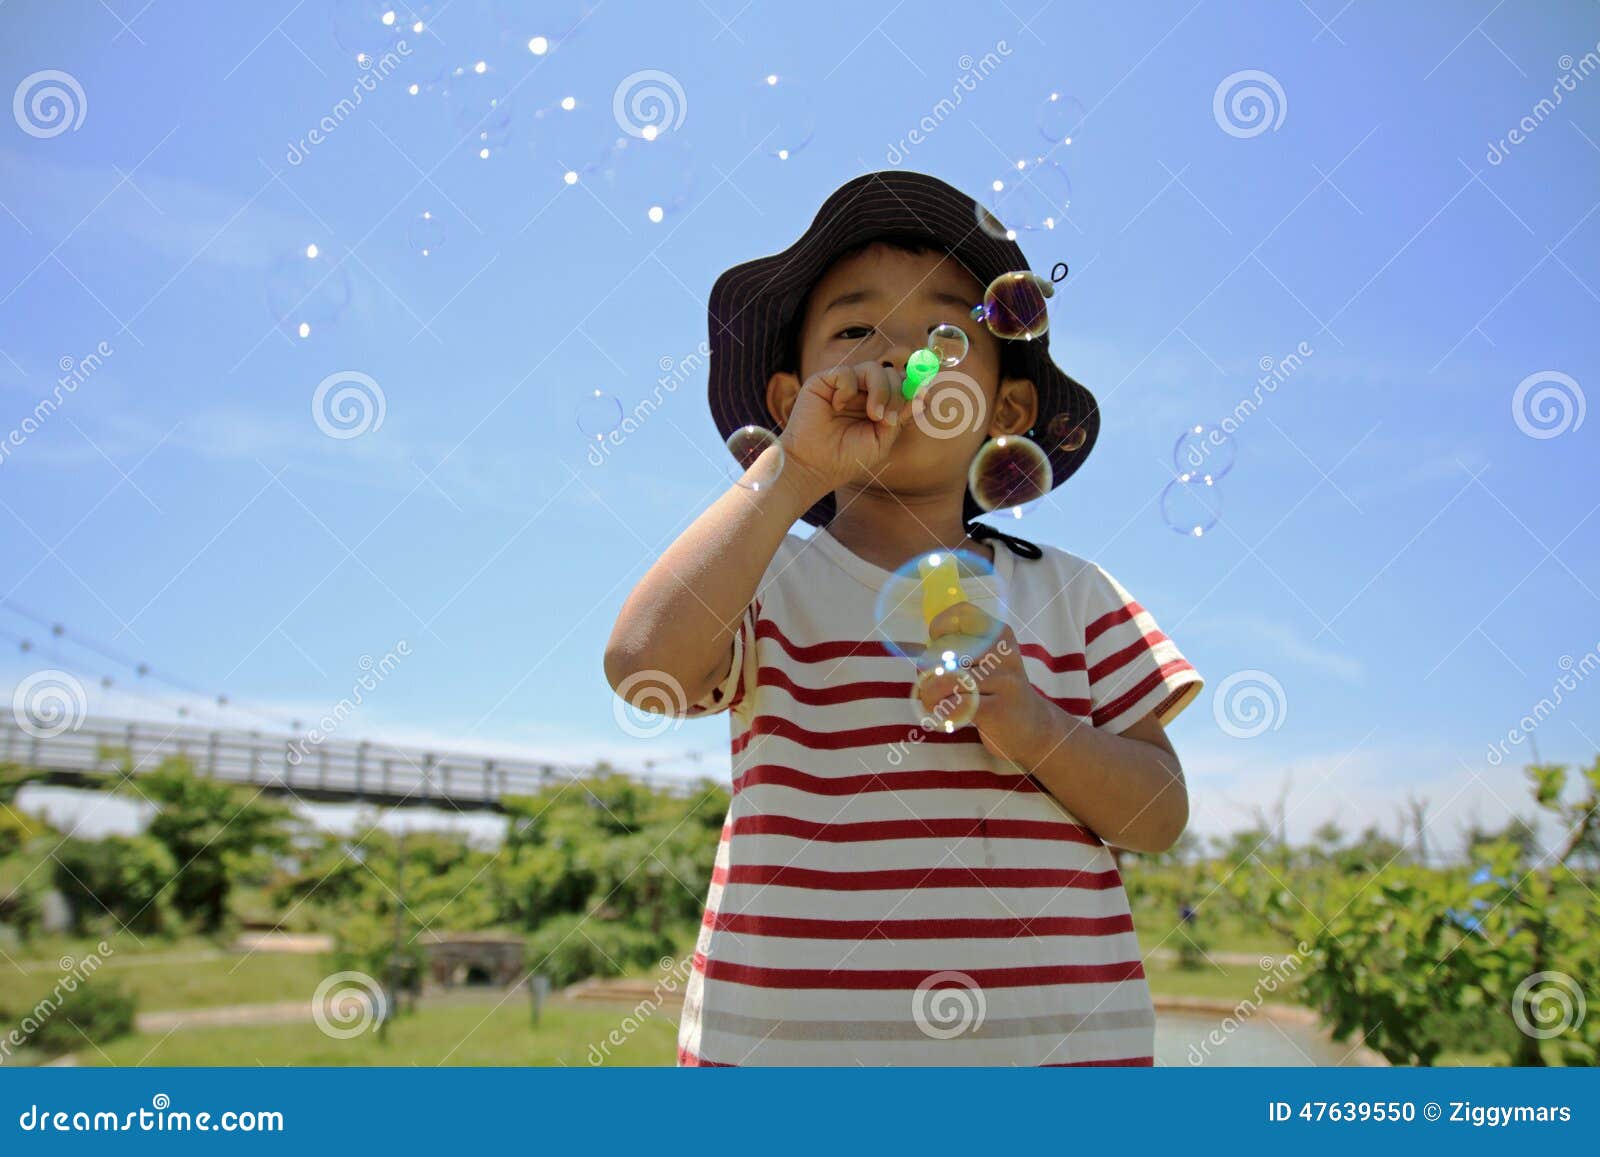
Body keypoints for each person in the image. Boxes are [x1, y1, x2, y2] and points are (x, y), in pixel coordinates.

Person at [605, 171, 1203, 1066]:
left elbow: (1159, 815)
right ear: (788, 403)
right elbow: (640, 664)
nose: (896, 357)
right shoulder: (764, 581)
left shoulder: (1075, 595)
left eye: (943, 334)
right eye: (855, 331)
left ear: (1006, 411)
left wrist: (1037, 728)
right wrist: (792, 471)